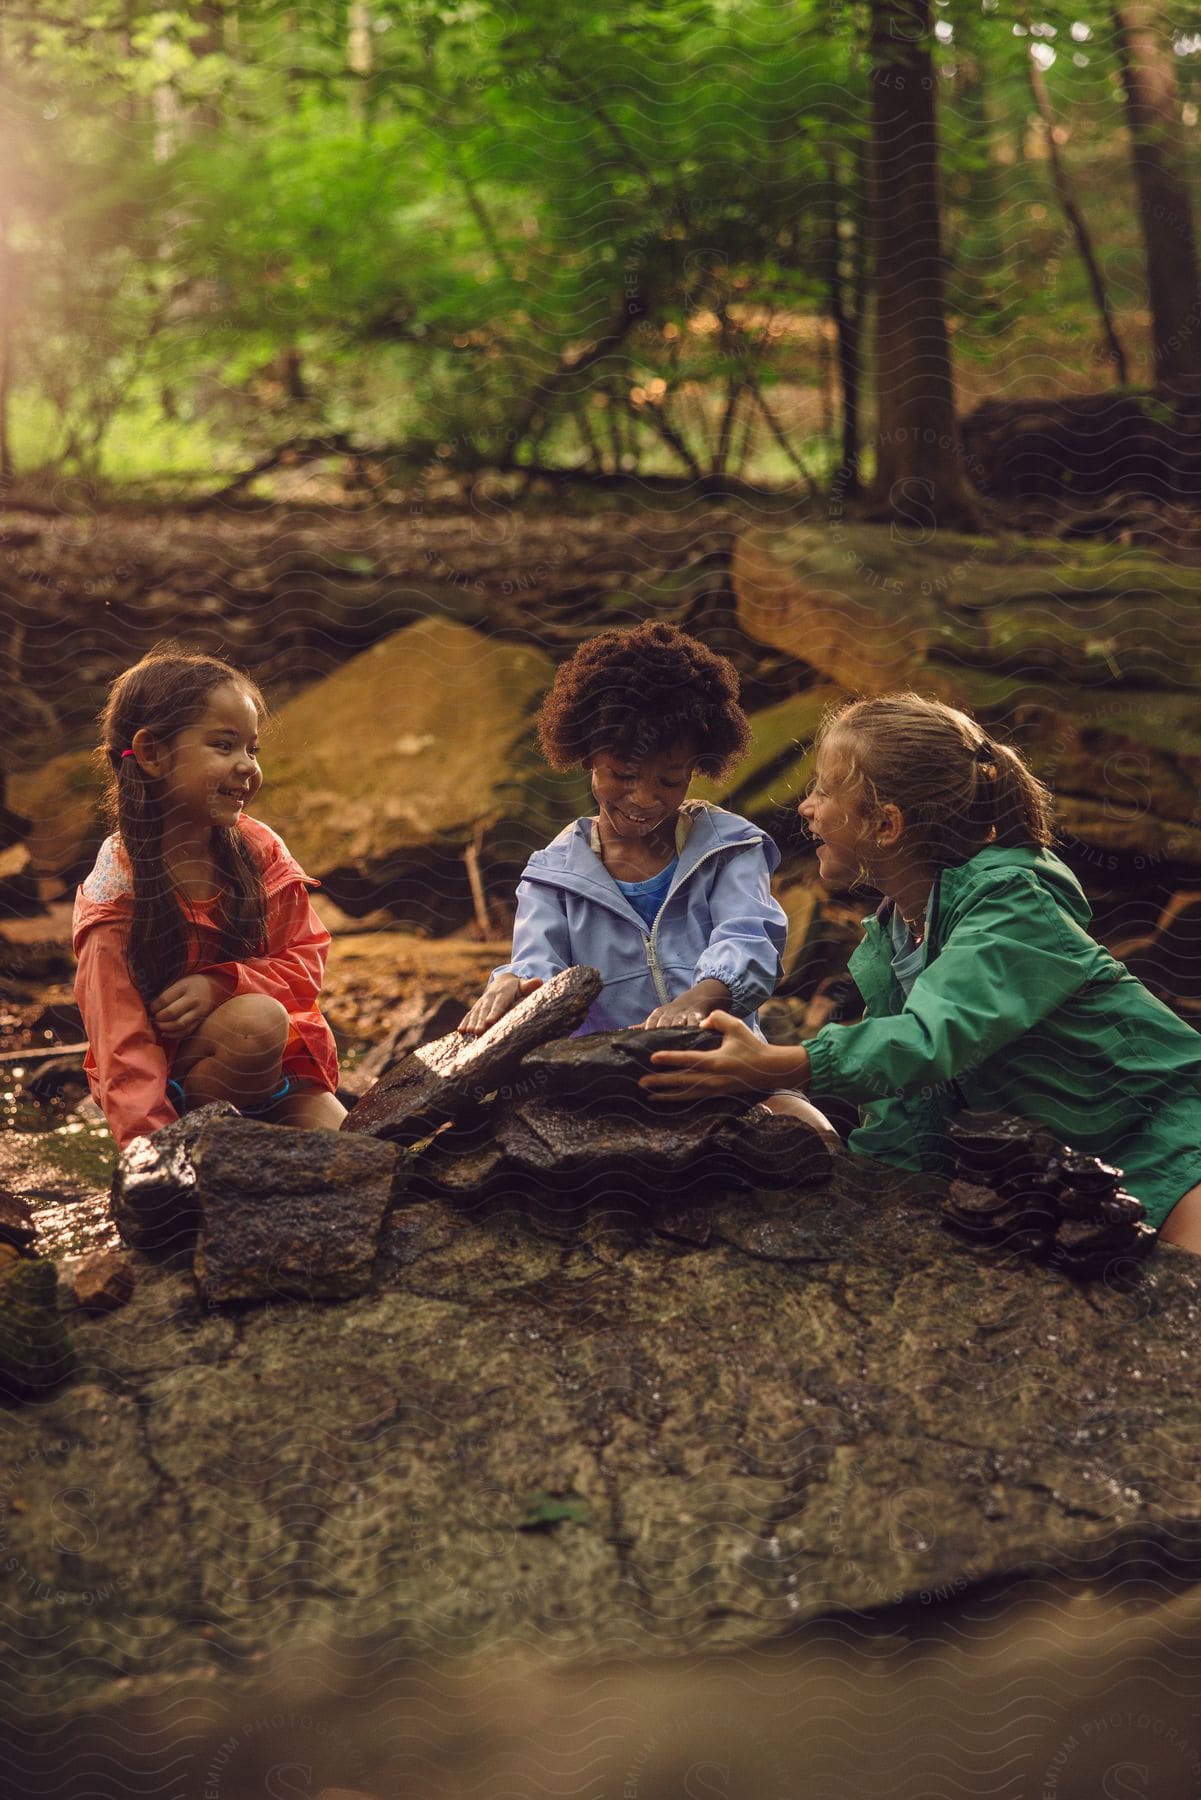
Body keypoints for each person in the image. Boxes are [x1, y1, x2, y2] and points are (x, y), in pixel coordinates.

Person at [643, 692, 1201, 1253]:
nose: (805, 808)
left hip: (1172, 1137)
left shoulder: (1015, 902)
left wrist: (779, 1065)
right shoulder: (895, 938)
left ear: (885, 824)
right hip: (1080, 1180)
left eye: (822, 790)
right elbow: (909, 1105)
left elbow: (934, 1037)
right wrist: (853, 1187)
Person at [458, 622, 835, 1134]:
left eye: (669, 779)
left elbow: (750, 938)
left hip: (726, 1070)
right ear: (587, 756)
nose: (643, 799)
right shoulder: (551, 876)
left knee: (815, 1136)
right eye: (623, 775)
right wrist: (510, 986)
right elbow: (538, 968)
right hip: (599, 1090)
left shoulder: (730, 850)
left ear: (697, 767)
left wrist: (701, 997)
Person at [73, 648, 345, 1150]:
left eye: (253, 749)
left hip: (278, 1078)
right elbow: (121, 1048)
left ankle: (263, 1149)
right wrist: (154, 1159)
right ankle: (214, 1154)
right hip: (182, 1091)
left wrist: (224, 984)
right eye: (224, 745)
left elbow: (307, 961)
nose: (247, 766)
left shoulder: (259, 849)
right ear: (152, 753)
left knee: (362, 1152)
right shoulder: (117, 892)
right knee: (256, 1023)